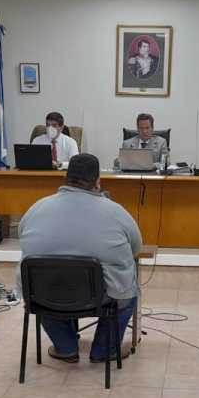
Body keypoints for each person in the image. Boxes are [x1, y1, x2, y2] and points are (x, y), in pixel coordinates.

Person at [18, 153, 141, 363]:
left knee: (41, 287)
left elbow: (22, 239)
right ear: (98, 182)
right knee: (129, 292)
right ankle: (104, 350)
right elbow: (135, 248)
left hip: (44, 296)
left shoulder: (36, 208)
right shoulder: (115, 211)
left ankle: (65, 347)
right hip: (99, 298)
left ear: (65, 179)